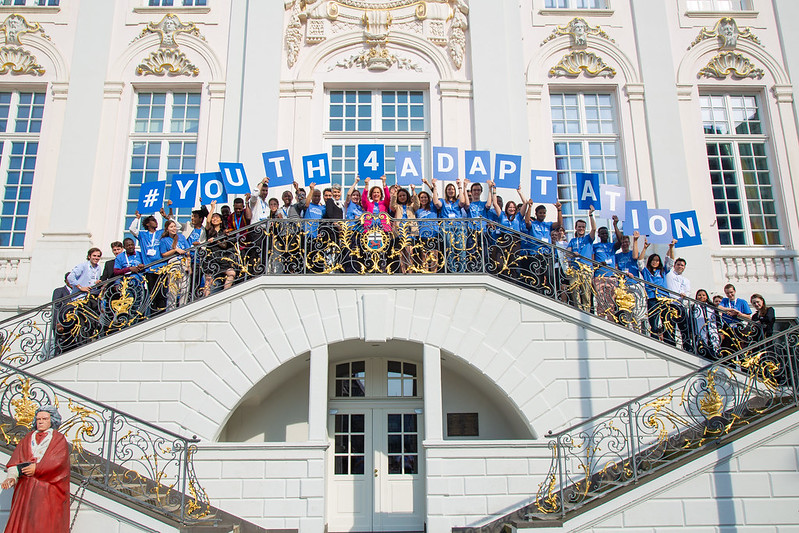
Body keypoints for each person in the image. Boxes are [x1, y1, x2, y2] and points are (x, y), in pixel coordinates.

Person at [2, 405, 70, 532]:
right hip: (26, 488)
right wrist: (11, 477)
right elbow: (15, 461)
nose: (41, 421)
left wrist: (37, 468)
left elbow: (59, 462)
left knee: (42, 522)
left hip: (46, 490)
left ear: (51, 420)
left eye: (44, 419)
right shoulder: (28, 438)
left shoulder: (58, 439)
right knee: (24, 521)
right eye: (38, 419)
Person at [633, 231, 675, 339]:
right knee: (654, 322)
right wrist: (645, 248)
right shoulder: (647, 272)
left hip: (664, 298)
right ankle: (655, 339)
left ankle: (669, 341)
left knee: (667, 322)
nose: (655, 262)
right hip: (652, 298)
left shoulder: (662, 271)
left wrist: (671, 248)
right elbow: (640, 262)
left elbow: (670, 262)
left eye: (657, 260)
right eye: (653, 260)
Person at [564, 208, 596, 313]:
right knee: (574, 290)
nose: (581, 228)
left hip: (586, 269)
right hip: (575, 269)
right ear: (576, 228)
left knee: (586, 292)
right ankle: (578, 310)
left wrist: (591, 215)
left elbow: (594, 229)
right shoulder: (573, 241)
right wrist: (573, 255)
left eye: (583, 227)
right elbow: (567, 253)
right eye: (579, 227)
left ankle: (586, 312)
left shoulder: (588, 239)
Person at [592, 217, 622, 320]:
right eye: (603, 233)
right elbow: (592, 263)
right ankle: (601, 322)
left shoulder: (612, 246)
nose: (605, 235)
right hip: (599, 277)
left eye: (606, 233)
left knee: (611, 303)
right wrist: (599, 264)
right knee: (600, 302)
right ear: (599, 235)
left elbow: (620, 240)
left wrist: (615, 225)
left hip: (611, 277)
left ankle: (611, 322)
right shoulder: (595, 246)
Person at [159, 219, 191, 310]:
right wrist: (175, 250)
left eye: (174, 226)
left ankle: (183, 307)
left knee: (184, 287)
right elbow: (164, 254)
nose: (174, 228)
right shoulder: (164, 240)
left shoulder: (181, 237)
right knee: (173, 288)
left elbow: (187, 250)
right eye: (171, 227)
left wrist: (189, 264)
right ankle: (171, 308)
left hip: (184, 262)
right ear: (167, 229)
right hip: (173, 263)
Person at [390, 185, 420, 273]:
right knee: (401, 253)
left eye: (404, 195)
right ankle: (403, 271)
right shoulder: (397, 206)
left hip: (410, 230)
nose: (402, 197)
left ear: (407, 196)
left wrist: (413, 191)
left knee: (409, 251)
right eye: (400, 196)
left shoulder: (411, 206)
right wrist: (395, 192)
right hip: (399, 230)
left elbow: (417, 204)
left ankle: (410, 271)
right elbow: (392, 204)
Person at [665, 257, 692, 351]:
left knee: (685, 328)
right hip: (671, 304)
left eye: (682, 265)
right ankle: (671, 346)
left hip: (680, 305)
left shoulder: (686, 280)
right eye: (678, 264)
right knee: (670, 327)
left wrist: (685, 295)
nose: (680, 266)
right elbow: (668, 260)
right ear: (674, 265)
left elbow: (688, 291)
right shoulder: (669, 274)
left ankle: (687, 347)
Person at [692, 288, 721, 358]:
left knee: (714, 348)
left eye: (703, 295)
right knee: (703, 348)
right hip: (700, 332)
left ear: (707, 297)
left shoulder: (712, 307)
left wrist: (720, 331)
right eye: (699, 295)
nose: (701, 297)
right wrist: (691, 331)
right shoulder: (694, 307)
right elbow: (691, 320)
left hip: (712, 331)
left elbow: (718, 319)